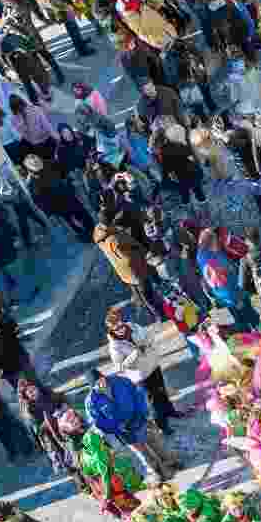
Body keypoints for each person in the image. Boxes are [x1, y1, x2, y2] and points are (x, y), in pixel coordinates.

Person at [85, 370, 181, 483]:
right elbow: (98, 422)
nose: (101, 385)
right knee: (142, 452)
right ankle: (155, 472)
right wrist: (117, 427)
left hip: (139, 419)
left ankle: (171, 462)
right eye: (96, 384)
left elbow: (138, 395)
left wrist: (142, 413)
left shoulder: (121, 381)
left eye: (101, 380)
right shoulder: (91, 401)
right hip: (123, 431)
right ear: (92, 387)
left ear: (104, 377)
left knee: (156, 442)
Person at [105, 307, 182, 435]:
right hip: (141, 375)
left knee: (162, 391)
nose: (121, 329)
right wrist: (135, 354)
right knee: (153, 400)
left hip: (152, 364)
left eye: (121, 325)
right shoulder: (114, 346)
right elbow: (120, 366)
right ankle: (162, 425)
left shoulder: (133, 326)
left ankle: (170, 411)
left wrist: (147, 344)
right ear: (111, 330)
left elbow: (149, 335)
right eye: (117, 329)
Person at [94, 207, 164, 321]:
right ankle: (160, 314)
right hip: (135, 269)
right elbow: (128, 256)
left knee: (139, 291)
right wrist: (141, 252)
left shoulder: (99, 232)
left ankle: (150, 309)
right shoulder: (114, 239)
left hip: (123, 271)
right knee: (147, 293)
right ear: (110, 220)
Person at [196, 228, 261, 331]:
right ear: (210, 241)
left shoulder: (203, 255)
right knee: (251, 320)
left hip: (226, 295)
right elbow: (220, 280)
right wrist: (235, 298)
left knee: (243, 323)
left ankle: (256, 340)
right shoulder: (210, 258)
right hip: (232, 296)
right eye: (215, 239)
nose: (217, 241)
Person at [23, 154, 95, 237]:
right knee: (72, 223)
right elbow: (38, 200)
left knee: (83, 214)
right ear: (29, 167)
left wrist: (70, 183)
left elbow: (64, 171)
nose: (37, 163)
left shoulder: (49, 164)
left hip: (68, 195)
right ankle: (83, 236)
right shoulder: (31, 182)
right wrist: (49, 213)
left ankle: (93, 230)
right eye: (33, 164)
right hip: (56, 205)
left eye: (37, 160)